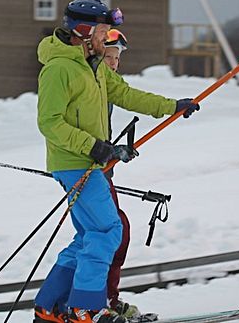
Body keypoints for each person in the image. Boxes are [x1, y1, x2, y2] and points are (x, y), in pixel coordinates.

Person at [33, 0, 200, 323]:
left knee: (88, 236)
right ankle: (86, 308)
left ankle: (50, 306)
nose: (106, 38)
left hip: (88, 162)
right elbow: (49, 123)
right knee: (108, 230)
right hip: (74, 162)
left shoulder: (94, 66)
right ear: (84, 31)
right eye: (103, 31)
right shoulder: (59, 69)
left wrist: (172, 106)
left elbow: (126, 94)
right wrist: (95, 147)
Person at [100, 29, 139, 320]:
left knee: (118, 231)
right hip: (86, 168)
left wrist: (114, 151)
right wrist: (107, 152)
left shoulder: (109, 84)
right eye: (109, 57)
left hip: (102, 169)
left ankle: (108, 298)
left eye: (117, 59)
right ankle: (92, 302)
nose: (114, 64)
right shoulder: (91, 82)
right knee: (109, 233)